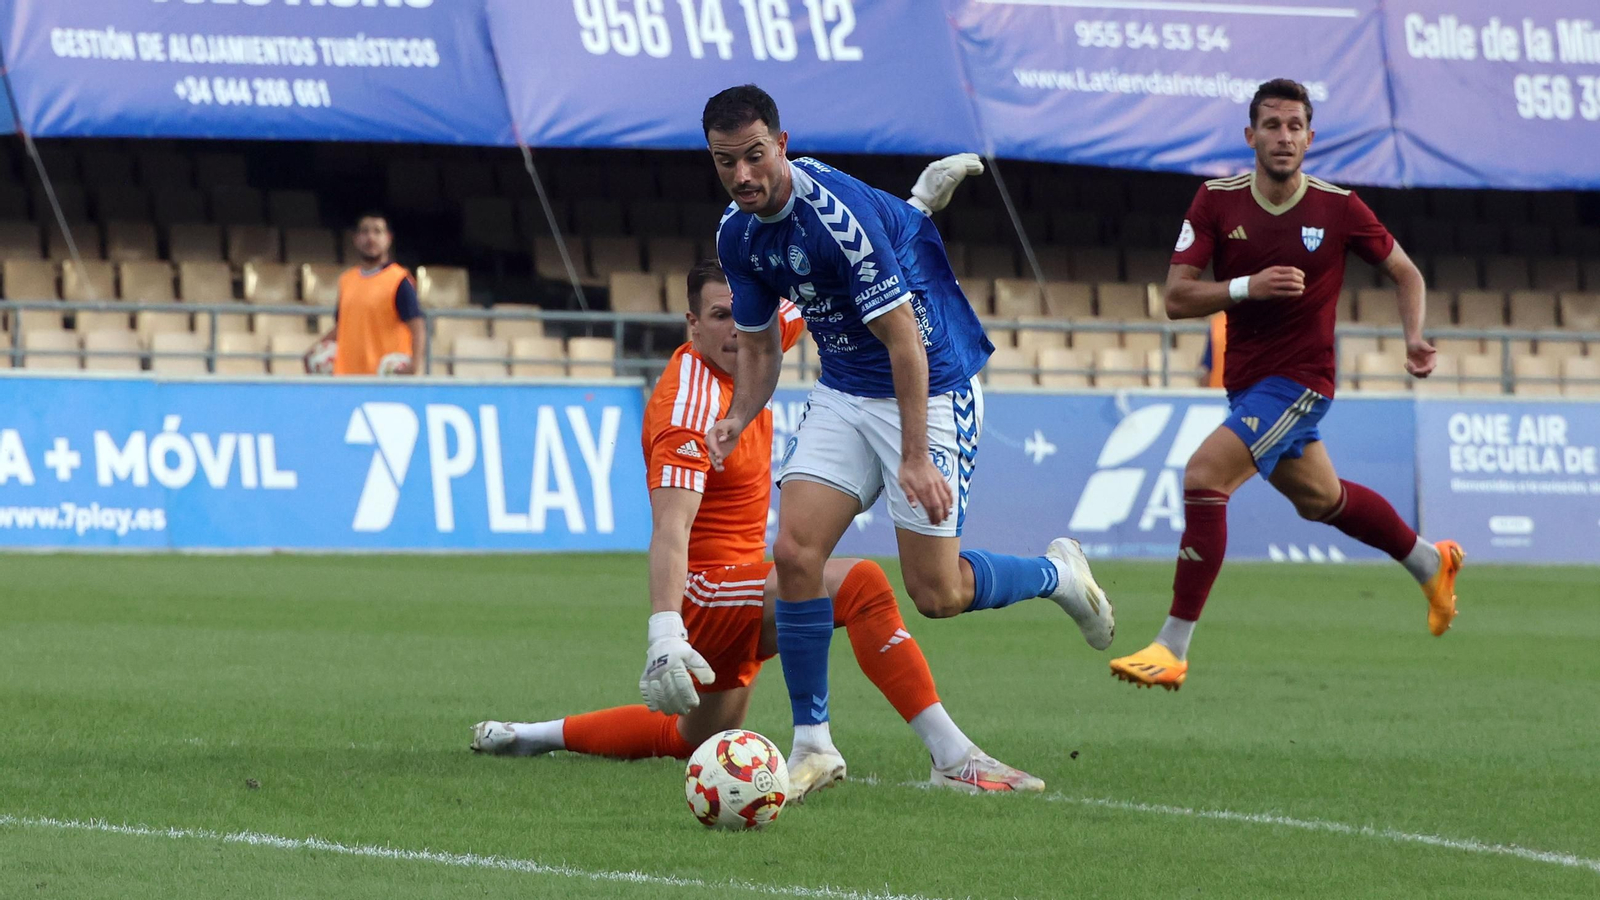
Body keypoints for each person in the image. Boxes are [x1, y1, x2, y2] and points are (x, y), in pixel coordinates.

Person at [472, 257, 1043, 795]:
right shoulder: (688, 408)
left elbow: (835, 282)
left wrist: (912, 211)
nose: (737, 329)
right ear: (693, 324)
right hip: (705, 592)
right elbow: (670, 530)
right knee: (861, 585)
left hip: (747, 583)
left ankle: (533, 736)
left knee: (692, 737)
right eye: (720, 316)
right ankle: (952, 757)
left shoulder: (754, 338)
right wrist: (665, 632)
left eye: (744, 314)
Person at [700, 84, 1114, 797]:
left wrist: (916, 455)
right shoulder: (736, 234)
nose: (742, 174)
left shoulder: (835, 218)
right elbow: (762, 347)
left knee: (937, 592)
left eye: (755, 155)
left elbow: (905, 343)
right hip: (843, 388)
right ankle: (813, 745)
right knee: (795, 554)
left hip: (927, 384)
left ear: (782, 144)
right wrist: (739, 414)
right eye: (724, 161)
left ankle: (1058, 574)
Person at [1109, 79, 1464, 692]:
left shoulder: (1339, 207)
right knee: (1322, 500)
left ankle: (1172, 646)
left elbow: (1407, 273)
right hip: (1247, 385)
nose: (1284, 136)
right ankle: (1431, 561)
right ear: (1251, 136)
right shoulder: (1216, 201)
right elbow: (1175, 298)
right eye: (1272, 125)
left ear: (1310, 138)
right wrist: (1247, 287)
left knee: (1203, 477)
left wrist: (1413, 337)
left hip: (1302, 382)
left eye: (1295, 126)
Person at [308, 212, 426, 375]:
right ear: (356, 239)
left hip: (383, 379)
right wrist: (315, 349)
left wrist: (414, 365)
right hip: (348, 377)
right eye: (364, 232)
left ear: (388, 238)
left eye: (377, 231)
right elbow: (343, 326)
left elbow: (417, 326)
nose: (371, 238)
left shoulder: (399, 280)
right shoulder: (347, 280)